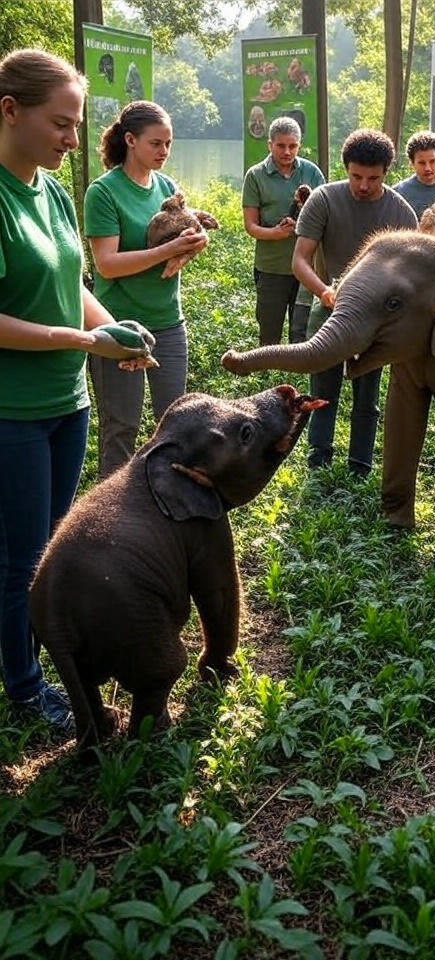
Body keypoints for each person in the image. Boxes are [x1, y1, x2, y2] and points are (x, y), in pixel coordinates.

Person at [0, 50, 155, 731]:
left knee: (48, 550)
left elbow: (76, 286)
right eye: (60, 124)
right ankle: (27, 689)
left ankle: (30, 649)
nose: (72, 139)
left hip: (69, 403)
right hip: (13, 412)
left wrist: (110, 327)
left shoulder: (54, 190)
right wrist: (81, 342)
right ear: (10, 111)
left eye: (76, 124)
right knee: (20, 556)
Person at [84, 101, 210, 478]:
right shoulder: (103, 192)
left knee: (175, 422)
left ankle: (164, 503)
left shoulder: (167, 186)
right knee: (121, 427)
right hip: (119, 324)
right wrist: (166, 251)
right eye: (156, 143)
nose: (164, 152)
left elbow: (184, 233)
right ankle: (109, 516)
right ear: (130, 140)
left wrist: (194, 242)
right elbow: (107, 264)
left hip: (169, 324)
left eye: (168, 144)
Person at [292, 128, 417, 475]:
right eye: (356, 176)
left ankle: (360, 467)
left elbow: (409, 277)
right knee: (322, 391)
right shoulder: (323, 199)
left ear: (386, 173)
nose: (363, 185)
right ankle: (318, 463)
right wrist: (324, 291)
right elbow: (300, 260)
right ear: (345, 168)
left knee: (367, 398)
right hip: (328, 309)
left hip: (377, 320)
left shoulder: (400, 212)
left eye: (373, 179)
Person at [242, 117, 325, 345]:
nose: (287, 151)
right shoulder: (255, 175)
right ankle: (269, 377)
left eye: (293, 146)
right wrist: (275, 233)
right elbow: (250, 226)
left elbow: (325, 217)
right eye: (281, 146)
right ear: (270, 145)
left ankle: (299, 378)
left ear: (299, 145)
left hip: (307, 268)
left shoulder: (311, 172)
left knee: (305, 335)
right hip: (271, 268)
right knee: (269, 334)